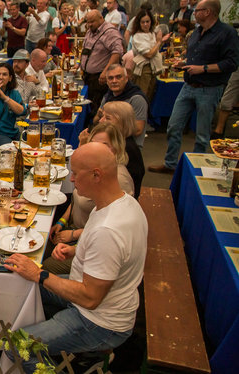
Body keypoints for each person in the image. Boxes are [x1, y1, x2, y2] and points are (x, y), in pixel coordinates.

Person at [8, 143, 146, 374]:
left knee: (16, 346)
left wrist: (39, 274)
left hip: (100, 322)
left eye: (75, 173)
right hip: (105, 299)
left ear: (96, 175)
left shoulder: (108, 231)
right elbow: (115, 253)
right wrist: (76, 250)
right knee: (23, 285)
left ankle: (83, 350)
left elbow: (90, 298)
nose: (71, 179)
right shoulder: (122, 203)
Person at [149, 0, 239, 173]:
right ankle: (170, 164)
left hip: (209, 88)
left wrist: (203, 69)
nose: (193, 13)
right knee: (174, 126)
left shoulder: (227, 33)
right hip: (188, 86)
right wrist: (184, 64)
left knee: (202, 134)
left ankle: (196, 169)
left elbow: (231, 63)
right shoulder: (197, 32)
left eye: (197, 10)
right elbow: (194, 57)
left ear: (208, 12)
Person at [44, 123, 135, 275]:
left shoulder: (118, 179)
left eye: (104, 145)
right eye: (94, 144)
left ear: (117, 148)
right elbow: (76, 200)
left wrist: (73, 237)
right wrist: (62, 221)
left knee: (46, 266)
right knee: (41, 245)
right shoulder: (93, 173)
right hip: (76, 232)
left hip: (89, 242)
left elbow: (109, 229)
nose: (71, 179)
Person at [83, 101, 144, 198]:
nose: (101, 121)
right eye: (102, 116)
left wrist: (83, 145)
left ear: (123, 122)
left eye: (107, 118)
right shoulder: (121, 141)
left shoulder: (125, 148)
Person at [80, 10, 124, 117]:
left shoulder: (110, 32)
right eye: (88, 22)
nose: (89, 25)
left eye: (92, 22)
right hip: (88, 77)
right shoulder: (90, 31)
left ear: (101, 18)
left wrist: (105, 72)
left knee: (99, 111)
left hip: (100, 78)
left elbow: (117, 53)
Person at [96, 64, 148, 148]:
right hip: (108, 142)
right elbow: (96, 120)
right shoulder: (108, 95)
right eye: (110, 78)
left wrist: (111, 124)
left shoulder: (137, 99)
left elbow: (138, 130)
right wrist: (100, 116)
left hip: (127, 146)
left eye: (118, 77)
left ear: (126, 78)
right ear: (107, 81)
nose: (114, 81)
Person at [130, 9, 170, 101]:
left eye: (147, 21)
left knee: (149, 96)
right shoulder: (137, 36)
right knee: (141, 97)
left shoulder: (152, 33)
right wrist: (159, 42)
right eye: (142, 22)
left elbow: (155, 51)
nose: (145, 24)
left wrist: (160, 42)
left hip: (153, 68)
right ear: (139, 23)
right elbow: (149, 54)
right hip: (143, 69)